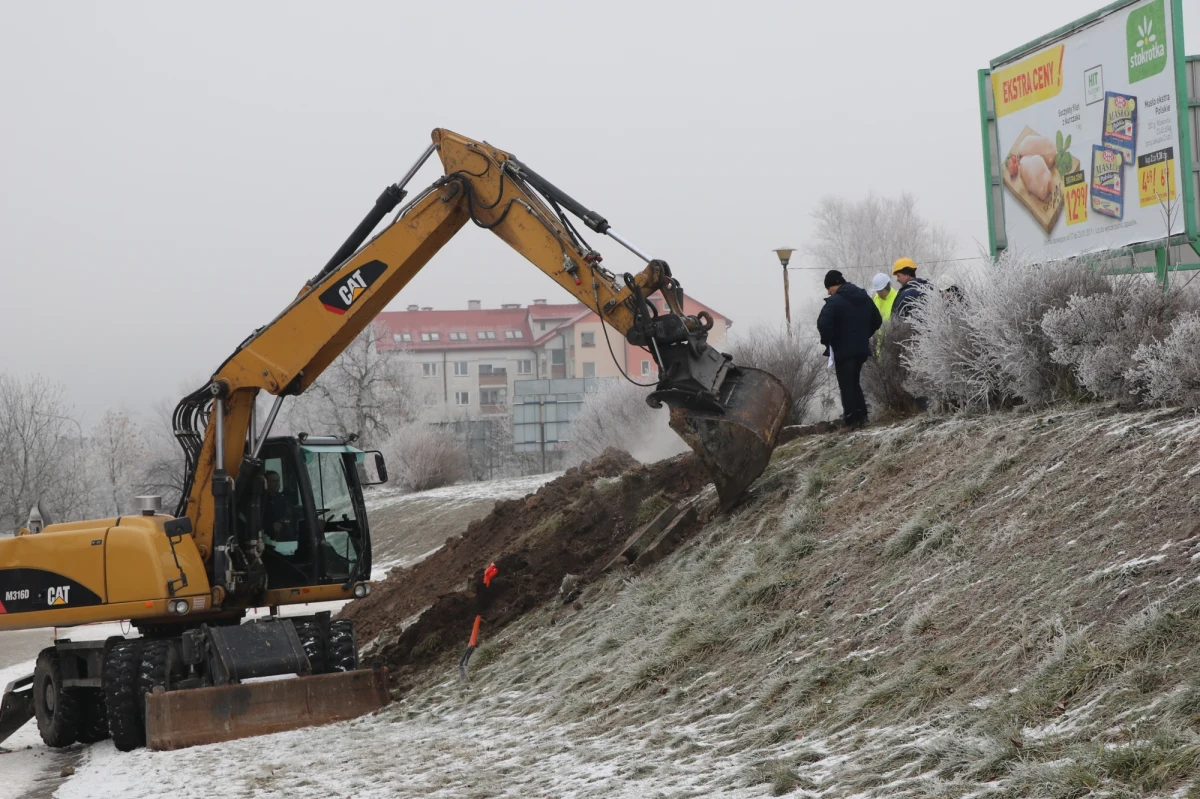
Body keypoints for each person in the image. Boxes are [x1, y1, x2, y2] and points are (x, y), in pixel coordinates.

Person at [817, 270, 882, 431]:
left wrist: (829, 342)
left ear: (835, 284)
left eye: (829, 287)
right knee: (854, 382)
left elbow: (824, 325)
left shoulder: (834, 302)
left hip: (843, 351)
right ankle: (862, 417)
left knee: (846, 385)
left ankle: (851, 421)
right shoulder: (863, 297)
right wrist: (863, 336)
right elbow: (877, 319)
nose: (828, 292)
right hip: (861, 349)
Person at [262, 470, 295, 549]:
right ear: (266, 483)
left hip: (285, 539)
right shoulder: (261, 501)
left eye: (278, 481)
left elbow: (290, 516)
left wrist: (283, 522)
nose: (277, 484)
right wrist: (270, 526)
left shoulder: (283, 499)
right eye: (273, 481)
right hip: (266, 542)